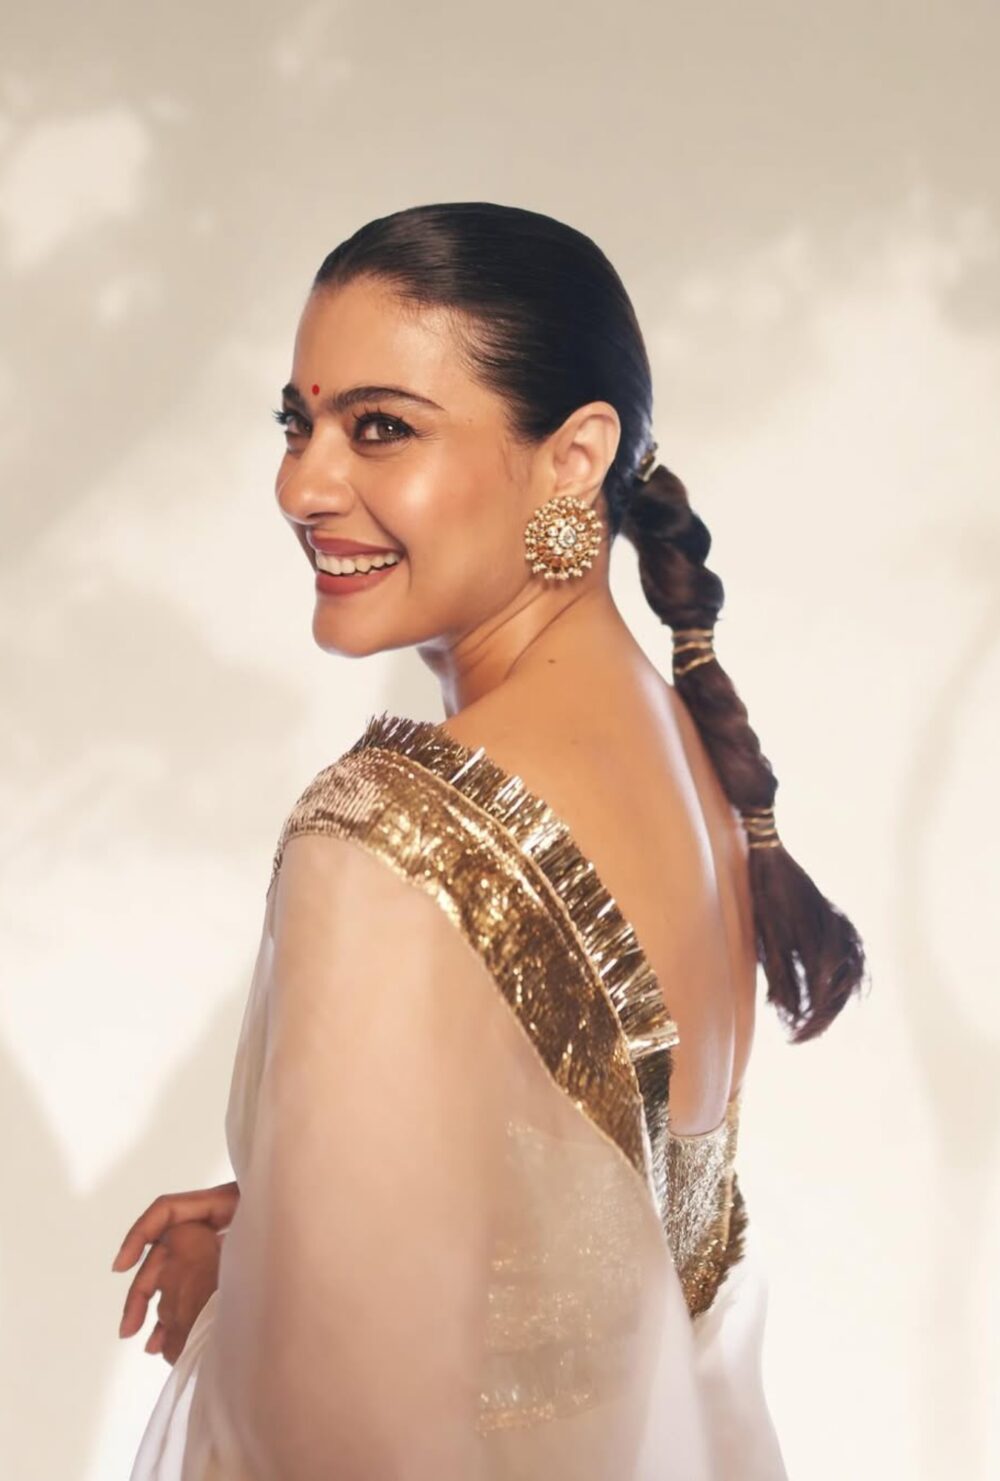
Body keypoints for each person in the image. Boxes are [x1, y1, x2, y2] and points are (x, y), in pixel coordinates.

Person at [112, 201, 867, 1479]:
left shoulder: (390, 837)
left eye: (380, 427)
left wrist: (251, 1320)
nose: (301, 485)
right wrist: (288, 1234)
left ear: (573, 458)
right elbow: (594, 1252)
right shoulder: (692, 762)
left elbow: (345, 1444)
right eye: (297, 424)